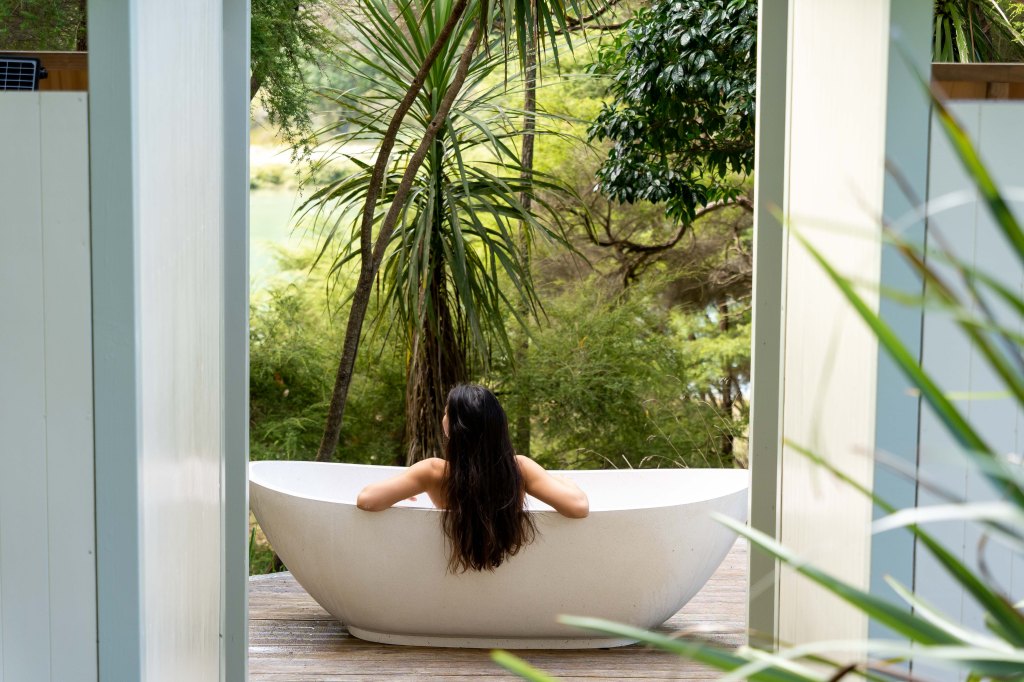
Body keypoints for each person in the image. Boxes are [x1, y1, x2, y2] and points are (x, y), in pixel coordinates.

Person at [356, 383, 589, 571]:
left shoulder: (432, 472)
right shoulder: (519, 468)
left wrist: (401, 492)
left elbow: (367, 500)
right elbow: (578, 507)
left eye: (446, 412)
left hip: (452, 571)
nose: (443, 416)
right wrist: (568, 484)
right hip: (504, 566)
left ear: (454, 427)